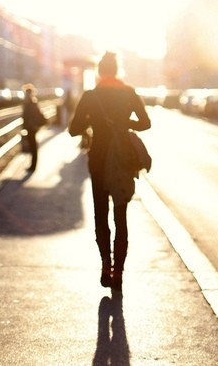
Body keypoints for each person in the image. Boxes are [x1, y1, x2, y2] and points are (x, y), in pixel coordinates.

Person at [69, 51, 151, 291]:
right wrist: (126, 124)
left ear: (99, 71)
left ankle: (106, 264)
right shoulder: (128, 93)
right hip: (123, 160)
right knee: (121, 215)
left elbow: (74, 129)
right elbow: (146, 123)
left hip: (98, 160)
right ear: (116, 70)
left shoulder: (91, 96)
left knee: (101, 214)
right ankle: (119, 273)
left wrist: (90, 123)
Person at [22, 83, 46, 173]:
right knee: (32, 146)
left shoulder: (31, 103)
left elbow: (33, 116)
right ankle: (32, 165)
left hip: (31, 128)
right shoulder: (29, 103)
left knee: (33, 147)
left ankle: (33, 166)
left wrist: (34, 125)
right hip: (30, 127)